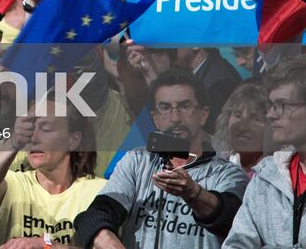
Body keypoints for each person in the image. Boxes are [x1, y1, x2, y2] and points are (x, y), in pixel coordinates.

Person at [75, 69, 248, 249]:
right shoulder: (137, 161)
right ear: (155, 118)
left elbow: (231, 220)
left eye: (185, 106)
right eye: (165, 108)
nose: (175, 118)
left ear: (203, 114)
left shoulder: (228, 173)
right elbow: (94, 216)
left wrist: (193, 193)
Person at [223, 58, 306, 247]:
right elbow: (236, 243)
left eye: (283, 105)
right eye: (272, 105)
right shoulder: (266, 175)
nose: (271, 115)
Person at [0, 97, 105, 246]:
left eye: (45, 129)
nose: (33, 138)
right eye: (29, 129)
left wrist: (46, 245)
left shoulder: (98, 192)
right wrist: (14, 141)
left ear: (73, 140)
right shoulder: (15, 185)